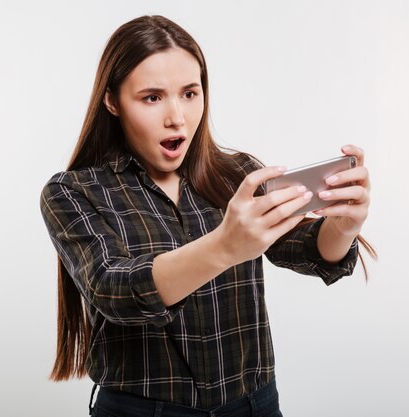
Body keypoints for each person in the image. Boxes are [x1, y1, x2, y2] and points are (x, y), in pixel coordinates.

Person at [39, 14, 374, 417]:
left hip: (253, 405)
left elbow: (306, 251)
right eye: (152, 97)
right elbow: (115, 292)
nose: (177, 117)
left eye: (190, 93)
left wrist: (342, 227)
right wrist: (224, 245)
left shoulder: (238, 174)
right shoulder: (73, 192)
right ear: (112, 100)